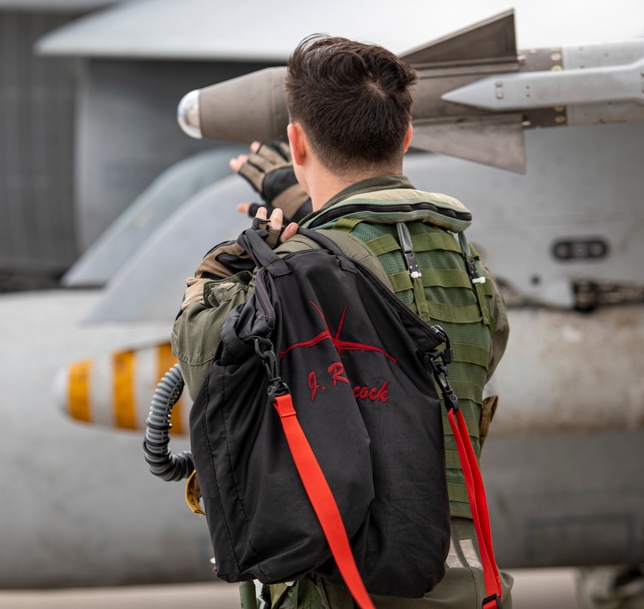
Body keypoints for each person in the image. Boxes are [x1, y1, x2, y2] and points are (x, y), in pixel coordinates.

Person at [172, 35, 513, 609]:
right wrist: (312, 227)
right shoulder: (469, 266)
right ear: (406, 136)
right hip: (467, 580)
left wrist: (221, 272)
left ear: (296, 142)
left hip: (344, 581)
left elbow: (205, 360)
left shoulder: (293, 274)